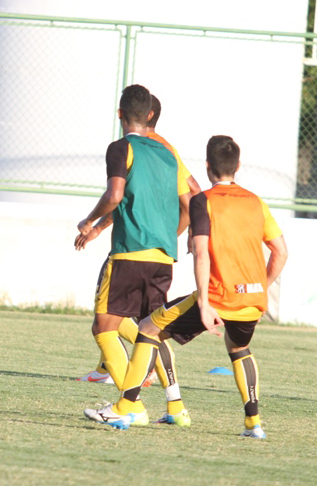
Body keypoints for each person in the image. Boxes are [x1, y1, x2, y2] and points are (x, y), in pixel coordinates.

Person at [85, 135, 288, 438]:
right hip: (250, 300)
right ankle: (253, 425)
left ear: (207, 166)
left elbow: (202, 253)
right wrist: (259, 290)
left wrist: (204, 303)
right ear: (238, 166)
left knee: (148, 328)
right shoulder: (257, 202)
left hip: (217, 298)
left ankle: (126, 407)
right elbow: (281, 252)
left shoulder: (204, 201)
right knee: (239, 349)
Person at [76, 85, 192, 426]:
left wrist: (89, 221)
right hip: (162, 256)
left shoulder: (121, 147)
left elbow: (115, 195)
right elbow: (187, 205)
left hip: (129, 254)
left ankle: (132, 404)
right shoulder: (168, 154)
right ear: (150, 115)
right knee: (150, 329)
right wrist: (167, 237)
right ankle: (174, 406)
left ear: (120, 114)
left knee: (104, 326)